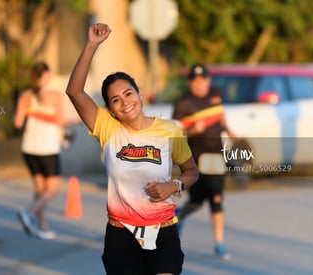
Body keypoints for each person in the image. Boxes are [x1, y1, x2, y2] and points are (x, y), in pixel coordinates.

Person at [65, 23, 199, 275]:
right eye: (116, 100)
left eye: (128, 93)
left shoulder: (170, 130)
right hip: (121, 234)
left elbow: (192, 172)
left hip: (163, 230)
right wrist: (91, 45)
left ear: (140, 93)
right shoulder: (107, 129)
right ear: (110, 109)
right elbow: (74, 92)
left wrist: (174, 186)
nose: (125, 102)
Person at [172, 63, 236, 260]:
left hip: (216, 156)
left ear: (208, 80)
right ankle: (180, 216)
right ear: (190, 83)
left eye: (203, 80)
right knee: (197, 201)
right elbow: (175, 132)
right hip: (195, 159)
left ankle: (219, 243)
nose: (200, 84)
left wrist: (229, 130)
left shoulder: (216, 94)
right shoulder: (183, 103)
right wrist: (192, 131)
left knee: (217, 198)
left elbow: (220, 116)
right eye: (195, 81)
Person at [14, 61, 68, 240]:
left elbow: (17, 123)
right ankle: (29, 212)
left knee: (40, 189)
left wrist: (33, 113)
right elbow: (60, 121)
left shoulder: (25, 96)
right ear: (44, 76)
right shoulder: (54, 95)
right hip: (47, 147)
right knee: (52, 188)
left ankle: (41, 226)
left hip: (29, 147)